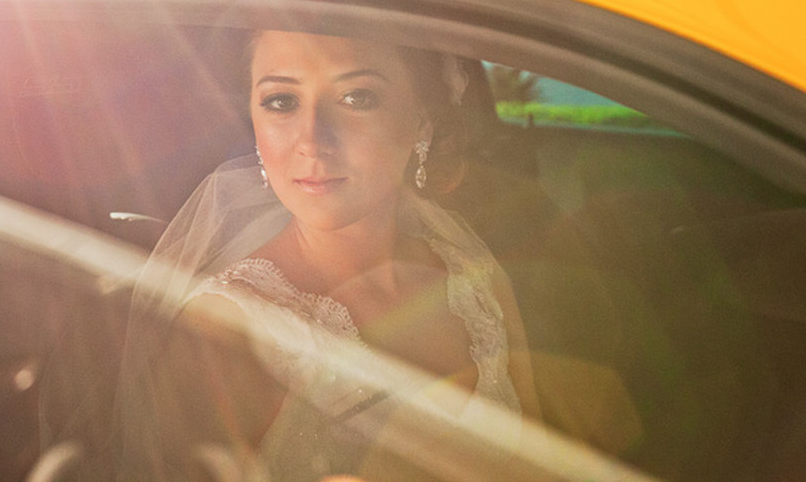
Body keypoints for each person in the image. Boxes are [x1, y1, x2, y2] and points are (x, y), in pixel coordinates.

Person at [118, 30, 541, 481]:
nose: (313, 140)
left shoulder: (470, 277)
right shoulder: (223, 328)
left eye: (357, 98)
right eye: (281, 102)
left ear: (422, 121)